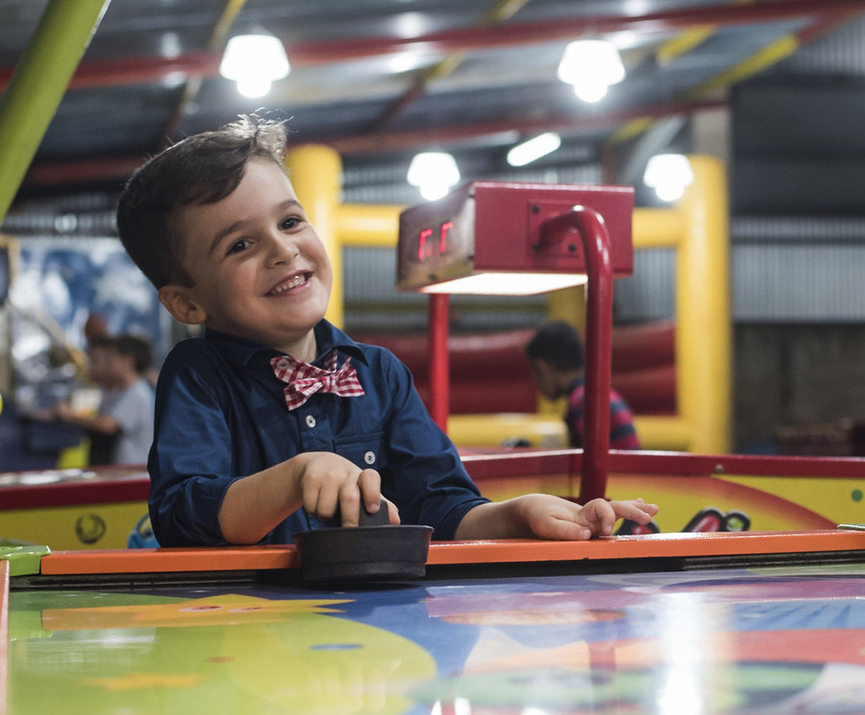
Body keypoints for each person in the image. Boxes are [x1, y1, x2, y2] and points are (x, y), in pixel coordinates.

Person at [115, 114, 656, 547]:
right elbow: (183, 515)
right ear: (186, 302)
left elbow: (438, 507)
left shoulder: (379, 374)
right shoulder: (198, 376)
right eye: (240, 245)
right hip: (244, 637)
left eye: (289, 222)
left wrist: (518, 515)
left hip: (376, 639)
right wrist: (293, 477)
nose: (283, 250)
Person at [525, 320, 641, 451]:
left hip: (617, 471)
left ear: (542, 367)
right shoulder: (596, 394)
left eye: (533, 373)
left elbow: (587, 463)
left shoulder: (583, 401)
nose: (536, 384)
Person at [40, 334, 155, 465]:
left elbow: (108, 425)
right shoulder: (115, 390)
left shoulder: (137, 393)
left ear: (128, 361)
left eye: (110, 358)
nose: (105, 364)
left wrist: (68, 416)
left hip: (133, 471)